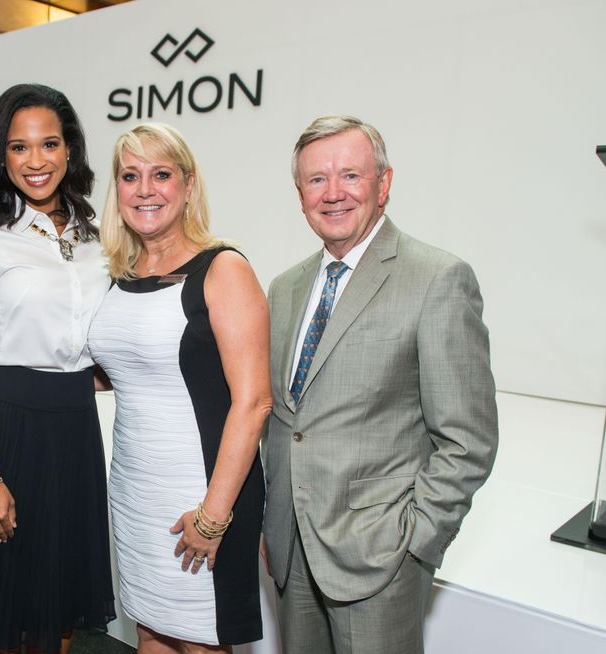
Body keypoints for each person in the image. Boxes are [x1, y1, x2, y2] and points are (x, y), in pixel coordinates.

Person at [261, 115, 499, 653]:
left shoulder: (437, 279)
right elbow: (283, 421)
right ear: (300, 195)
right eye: (316, 179)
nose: (333, 193)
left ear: (383, 183)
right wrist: (273, 523)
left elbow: (468, 440)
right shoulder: (285, 287)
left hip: (380, 558)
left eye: (350, 175)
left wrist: (416, 541)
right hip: (292, 551)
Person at [0, 83, 115, 654]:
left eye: (49, 144)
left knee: (59, 608)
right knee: (4, 614)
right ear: (1, 155)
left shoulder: (100, 239)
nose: (36, 160)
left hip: (76, 429)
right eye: (19, 147)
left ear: (70, 150)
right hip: (10, 429)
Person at [88, 123, 272, 652]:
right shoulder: (119, 274)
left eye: (161, 175)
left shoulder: (223, 268)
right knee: (149, 629)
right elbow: (122, 367)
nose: (145, 189)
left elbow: (254, 402)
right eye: (130, 176)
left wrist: (213, 516)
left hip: (202, 493)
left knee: (201, 640)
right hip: (135, 490)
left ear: (189, 185)